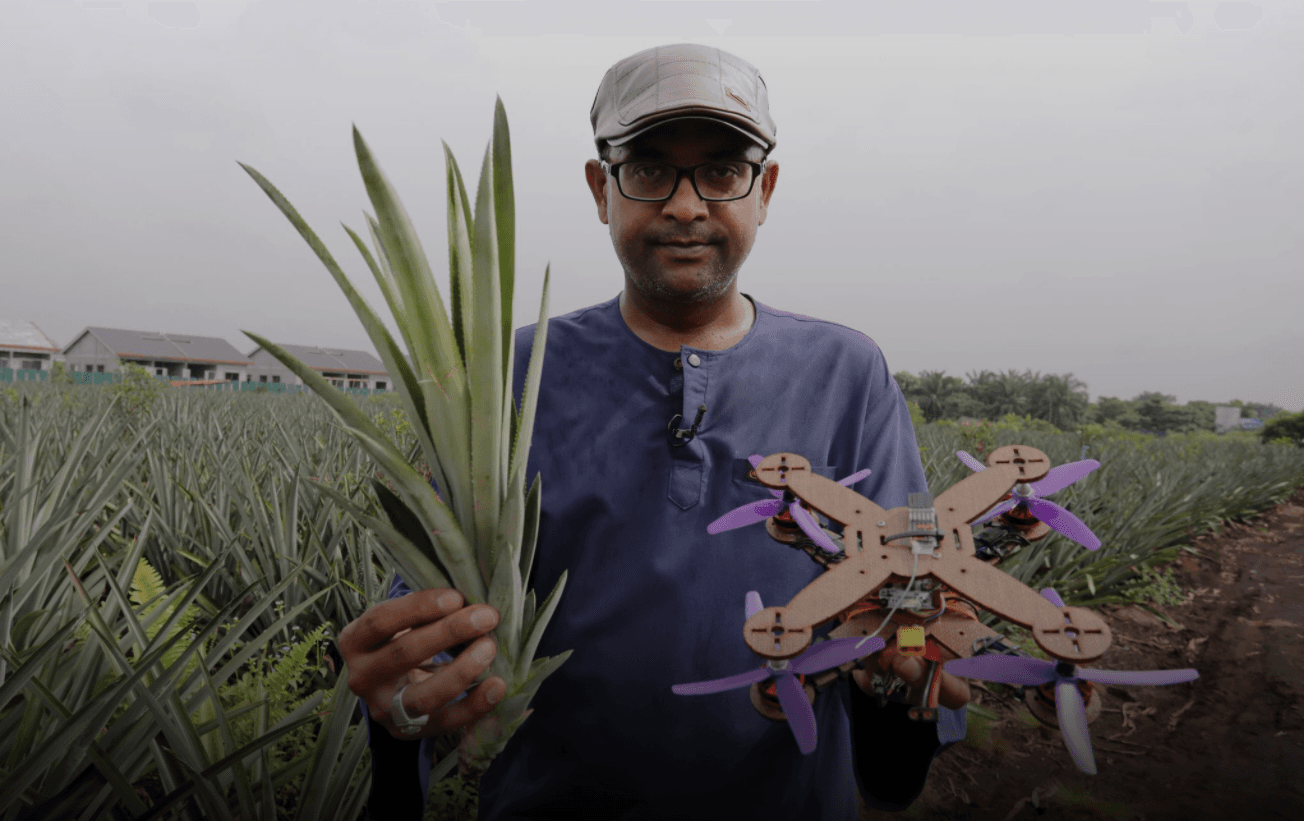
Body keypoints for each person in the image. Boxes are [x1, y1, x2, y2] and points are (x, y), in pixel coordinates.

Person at [336, 43, 976, 820]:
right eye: (646, 168)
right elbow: (426, 637)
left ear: (764, 189)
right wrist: (403, 703)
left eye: (722, 168)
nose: (684, 204)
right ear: (600, 189)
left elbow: (904, 609)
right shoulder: (509, 375)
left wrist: (901, 678)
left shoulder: (847, 372)